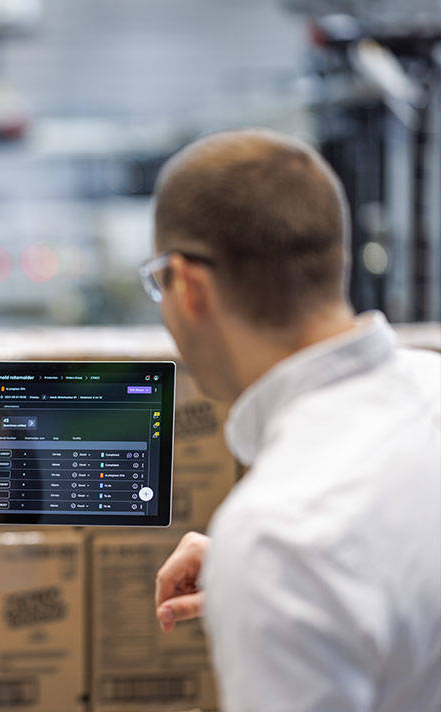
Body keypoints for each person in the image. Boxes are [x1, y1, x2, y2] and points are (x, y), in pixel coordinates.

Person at [143, 130, 441, 711]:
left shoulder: (278, 539)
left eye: (160, 284)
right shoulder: (432, 386)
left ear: (191, 287)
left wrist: (268, 577)